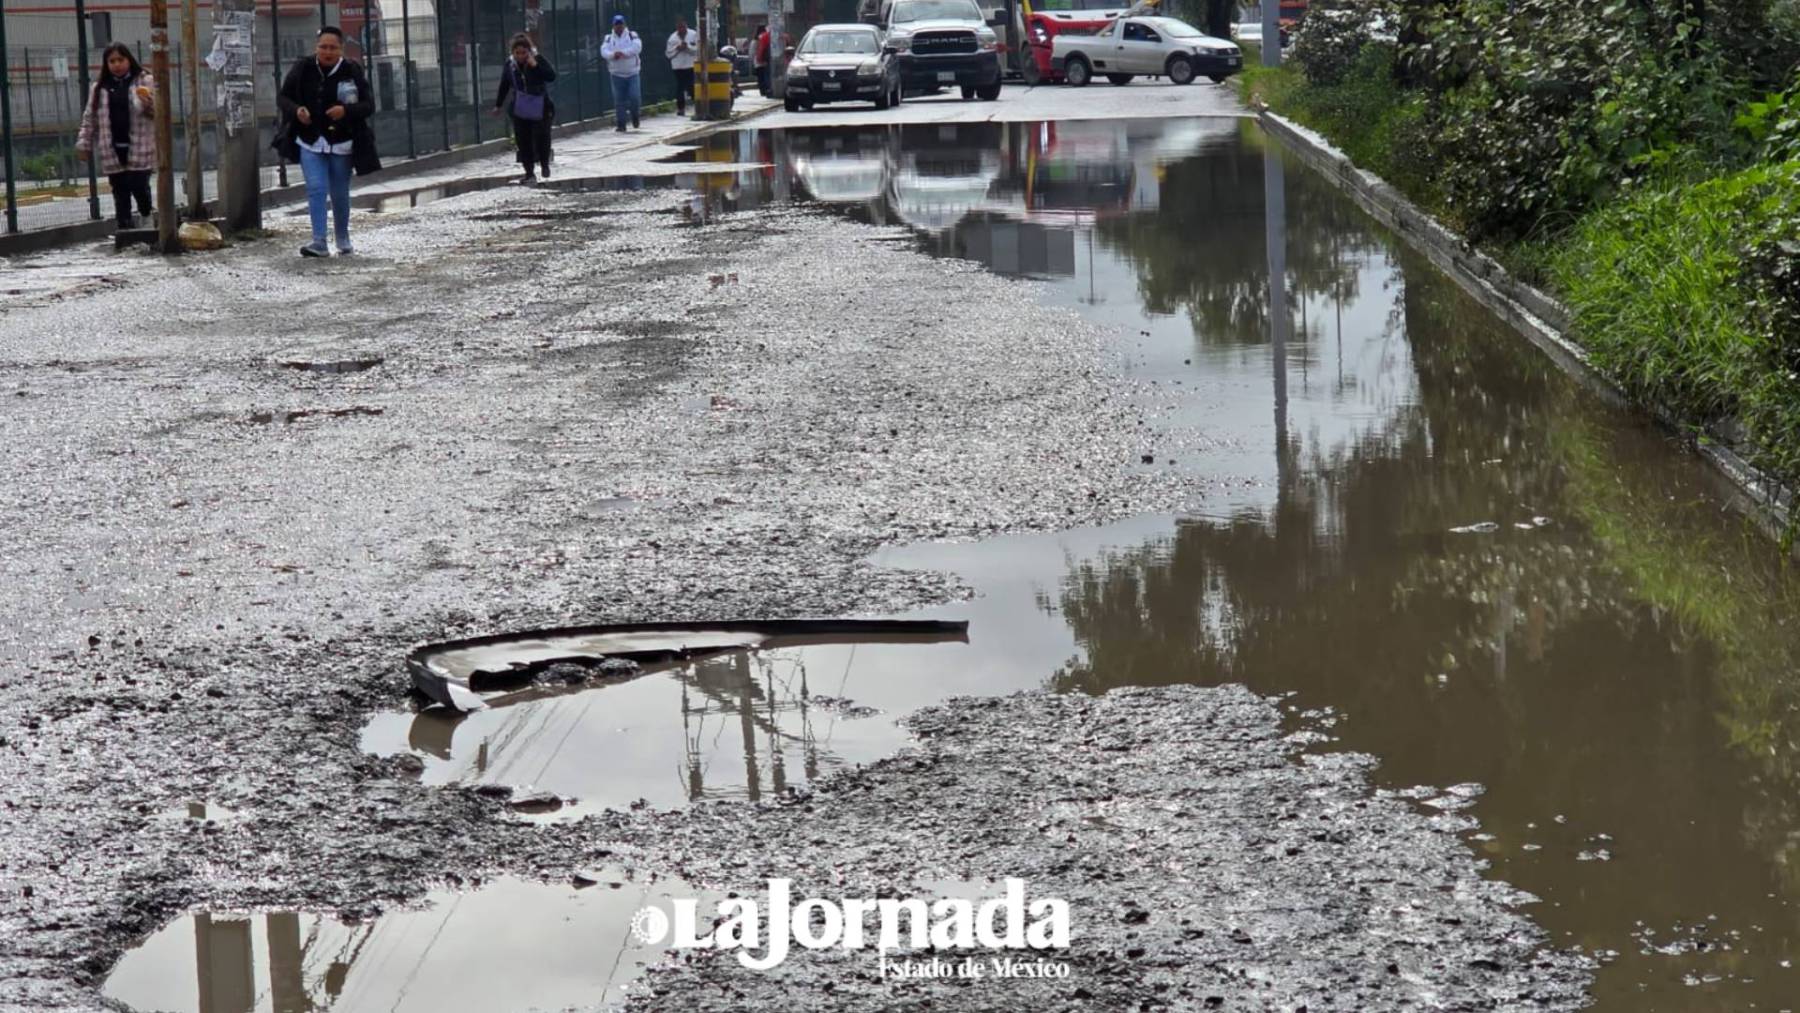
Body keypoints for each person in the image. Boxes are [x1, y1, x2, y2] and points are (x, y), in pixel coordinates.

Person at [276, 26, 379, 257]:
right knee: (316, 188)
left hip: (342, 142)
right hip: (310, 140)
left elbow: (368, 105)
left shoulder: (351, 70)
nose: (328, 52)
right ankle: (319, 241)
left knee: (339, 192)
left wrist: (346, 111)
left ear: (341, 49)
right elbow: (283, 97)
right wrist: (297, 110)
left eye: (333, 47)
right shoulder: (303, 68)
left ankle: (342, 237)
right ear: (316, 48)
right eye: (323, 47)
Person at [74, 43, 155, 230]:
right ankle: (124, 227)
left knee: (139, 185)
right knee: (120, 191)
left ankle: (146, 216)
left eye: (121, 60)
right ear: (106, 64)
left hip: (140, 146)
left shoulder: (144, 81)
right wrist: (84, 144)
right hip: (112, 148)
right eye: (112, 61)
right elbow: (90, 118)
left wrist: (146, 102)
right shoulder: (99, 88)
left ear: (129, 60)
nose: (117, 64)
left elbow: (158, 111)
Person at [493, 33, 557, 184]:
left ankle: (544, 164)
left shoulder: (538, 60)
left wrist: (535, 66)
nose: (520, 56)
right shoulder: (510, 65)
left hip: (541, 106)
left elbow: (551, 76)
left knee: (541, 136)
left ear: (529, 51)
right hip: (520, 108)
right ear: (513, 53)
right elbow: (504, 85)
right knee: (523, 140)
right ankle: (529, 172)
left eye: (523, 53)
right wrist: (498, 105)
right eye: (517, 53)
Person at [602, 14, 643, 132]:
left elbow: (637, 47)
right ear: (613, 26)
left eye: (620, 24)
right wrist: (612, 55)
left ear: (624, 25)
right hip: (616, 74)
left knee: (634, 97)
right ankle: (621, 124)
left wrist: (623, 53)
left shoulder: (632, 35)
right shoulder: (608, 38)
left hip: (632, 73)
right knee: (619, 100)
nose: (619, 27)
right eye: (616, 25)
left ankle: (635, 116)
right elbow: (604, 51)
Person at [666, 17, 700, 116]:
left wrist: (687, 47)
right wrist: (678, 49)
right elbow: (668, 54)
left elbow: (697, 50)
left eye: (683, 27)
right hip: (678, 67)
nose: (681, 30)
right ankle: (681, 109)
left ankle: (698, 107)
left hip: (690, 65)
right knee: (680, 88)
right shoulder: (672, 38)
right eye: (679, 28)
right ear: (677, 28)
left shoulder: (693, 34)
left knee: (691, 86)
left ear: (686, 26)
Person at [754, 25, 772, 96]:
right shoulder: (782, 36)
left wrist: (759, 59)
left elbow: (761, 50)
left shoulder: (762, 37)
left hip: (763, 61)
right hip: (766, 61)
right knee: (765, 76)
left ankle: (765, 90)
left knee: (763, 77)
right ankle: (767, 89)